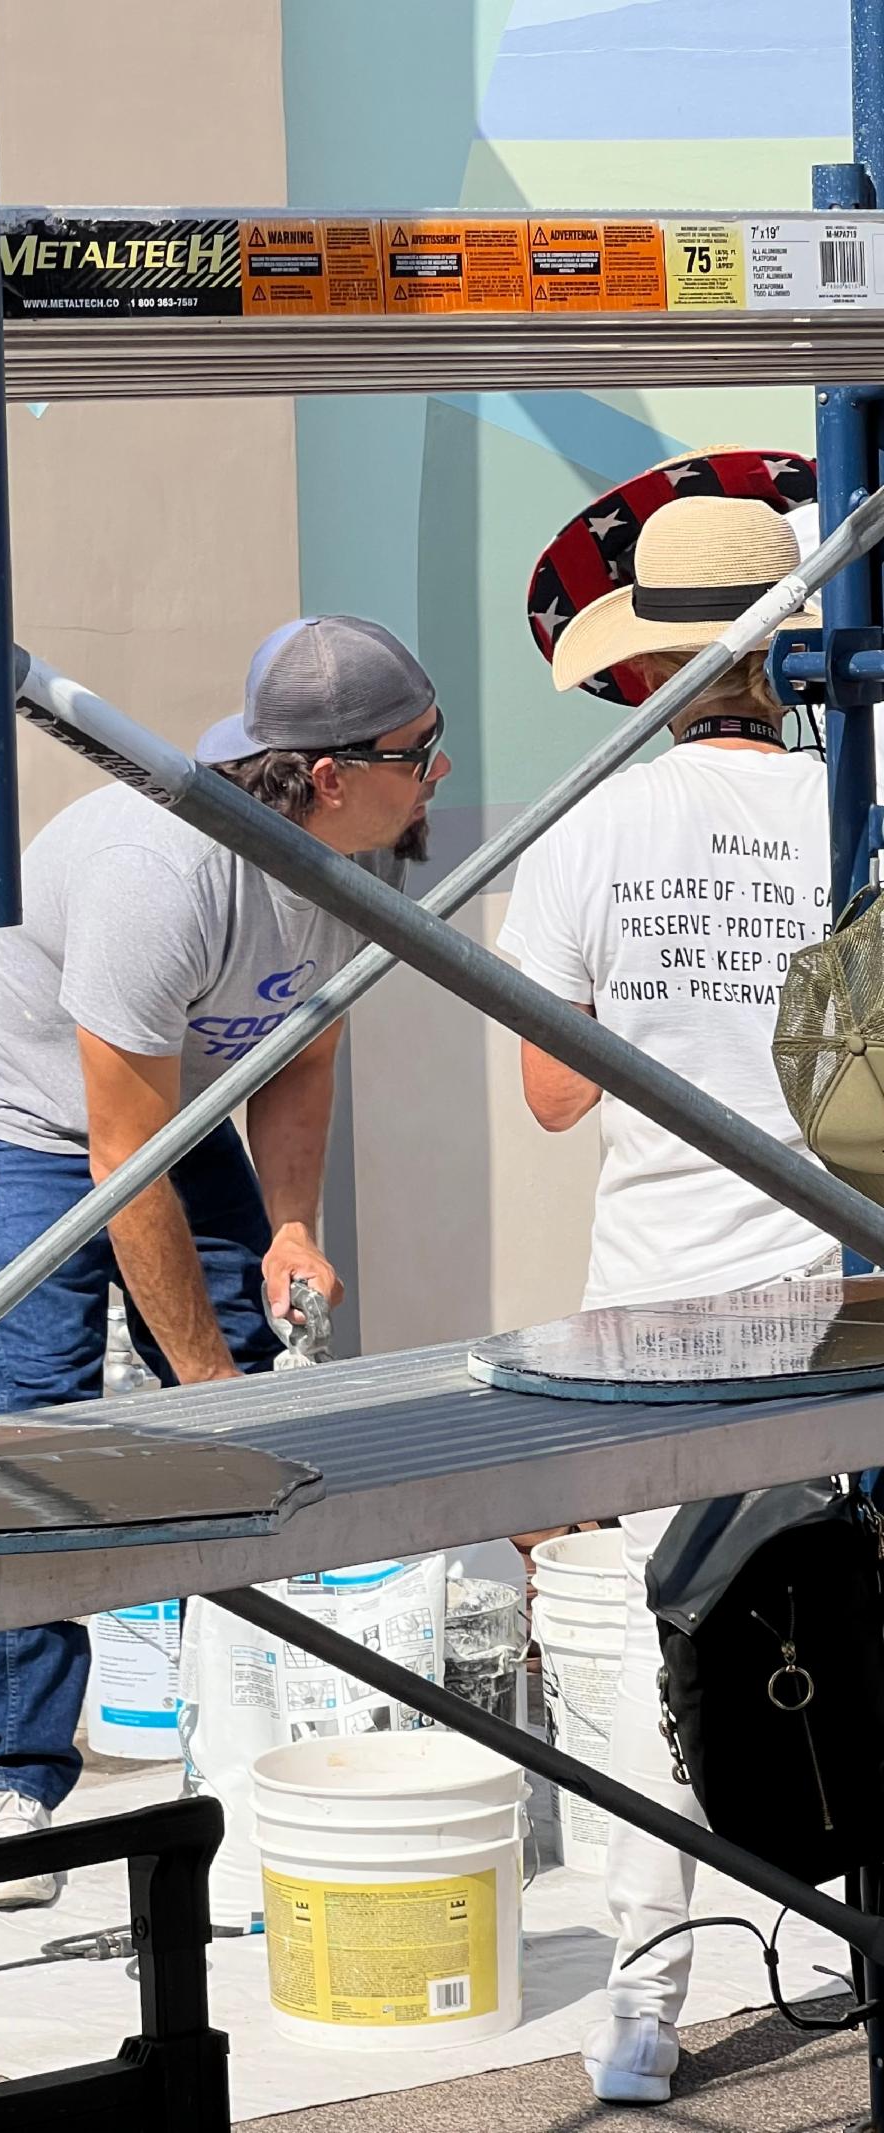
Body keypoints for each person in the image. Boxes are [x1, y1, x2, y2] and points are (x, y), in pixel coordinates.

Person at [0, 613, 451, 1906]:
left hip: (172, 1099)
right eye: (418, 752)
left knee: (255, 1381)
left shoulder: (354, 857)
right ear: (326, 774)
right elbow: (122, 1162)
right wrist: (200, 1379)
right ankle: (15, 1775)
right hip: (24, 1108)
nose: (439, 772)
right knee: (41, 1419)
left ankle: (250, 1719)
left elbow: (302, 1053)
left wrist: (292, 1225)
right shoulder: (163, 869)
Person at [499, 477, 837, 2105]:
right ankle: (844, 1930)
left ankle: (643, 2003)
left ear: (645, 665)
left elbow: (553, 1099)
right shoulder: (858, 806)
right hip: (841, 1294)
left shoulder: (589, 827)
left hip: (651, 1309)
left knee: (656, 1658)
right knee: (843, 1620)